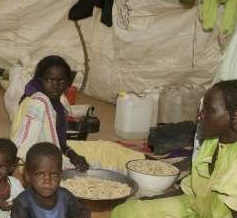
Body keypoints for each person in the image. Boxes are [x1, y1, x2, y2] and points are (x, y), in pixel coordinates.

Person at [104, 80, 237, 218]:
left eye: (210, 110)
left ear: (236, 116)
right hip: (194, 211)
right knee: (122, 215)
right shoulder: (212, 142)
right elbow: (191, 187)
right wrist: (148, 201)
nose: (200, 115)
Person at [10, 55, 143, 173]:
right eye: (49, 80)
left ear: (68, 82)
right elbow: (21, 146)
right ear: (39, 79)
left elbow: (59, 143)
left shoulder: (56, 99)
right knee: (97, 167)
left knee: (107, 148)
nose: (56, 86)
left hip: (54, 148)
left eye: (61, 81)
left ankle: (144, 163)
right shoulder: (37, 103)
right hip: (37, 162)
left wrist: (73, 155)